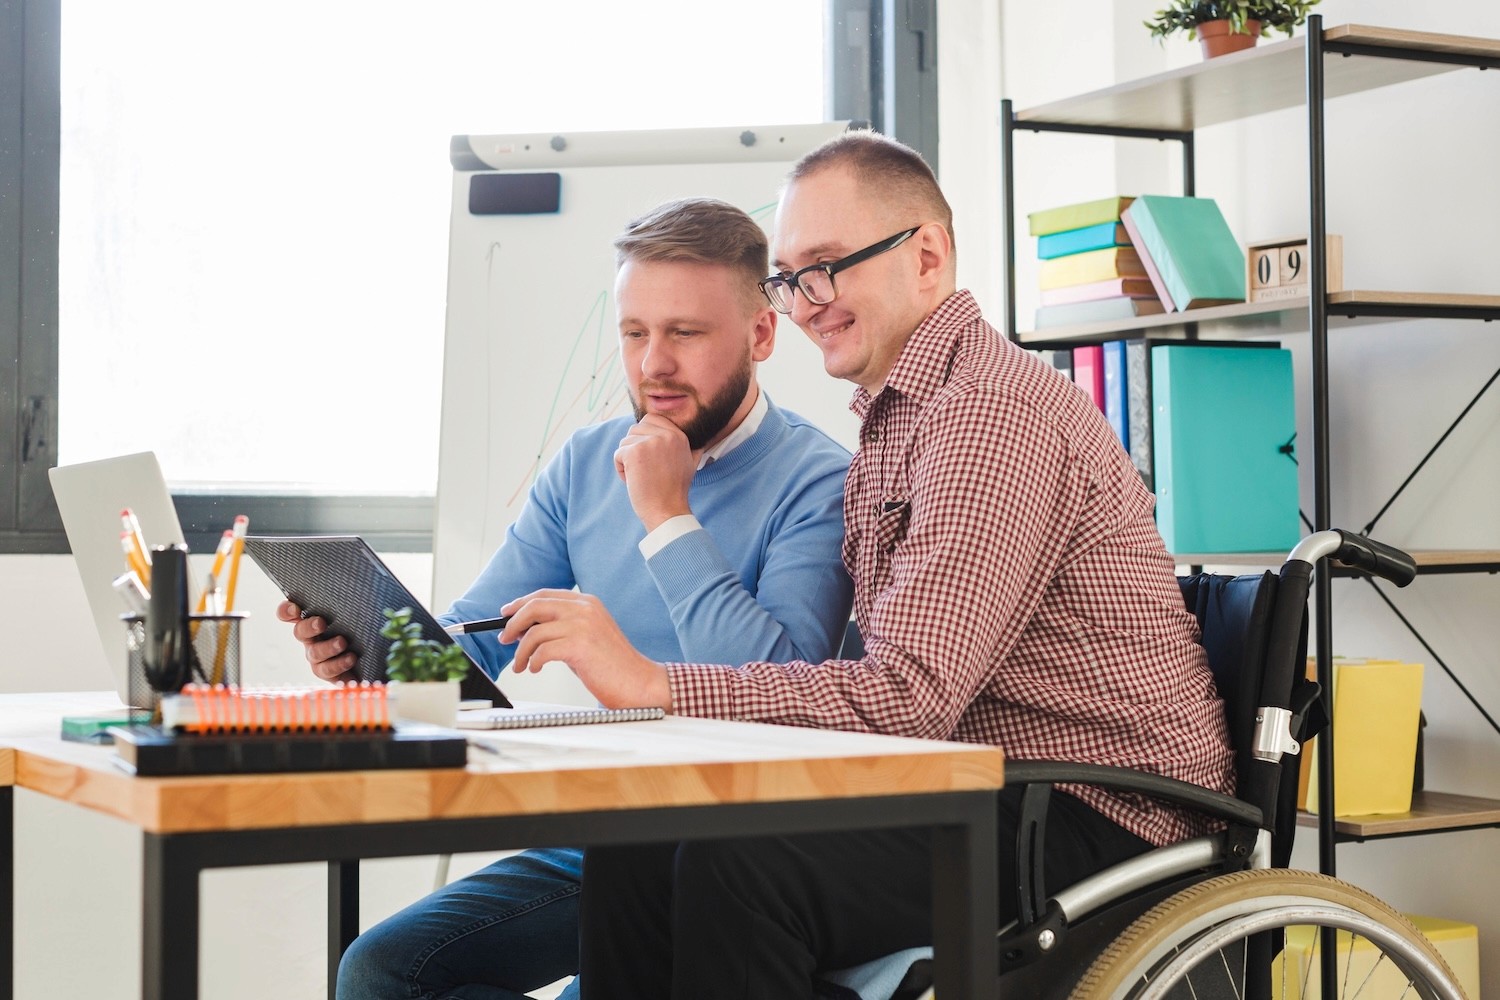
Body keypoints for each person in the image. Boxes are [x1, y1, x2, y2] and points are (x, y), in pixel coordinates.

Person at [495, 131, 1237, 1000]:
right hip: (974, 782)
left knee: (745, 869)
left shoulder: (989, 417)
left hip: (1095, 811)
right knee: (642, 842)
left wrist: (657, 683)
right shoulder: (898, 421)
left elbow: (907, 696)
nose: (807, 302)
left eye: (829, 266)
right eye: (791, 275)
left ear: (925, 257)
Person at [278, 196, 855, 1000]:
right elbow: (470, 644)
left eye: (685, 333)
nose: (653, 363)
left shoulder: (820, 481)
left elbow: (786, 685)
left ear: (761, 335)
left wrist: (666, 514)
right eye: (633, 333)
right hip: (609, 831)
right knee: (382, 974)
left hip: (733, 852)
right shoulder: (586, 462)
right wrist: (364, 658)